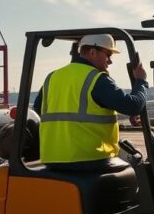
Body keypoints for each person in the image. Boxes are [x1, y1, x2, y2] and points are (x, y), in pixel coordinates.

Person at [33, 33, 148, 170]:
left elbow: (39, 109)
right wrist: (141, 81)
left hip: (52, 160)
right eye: (108, 55)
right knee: (135, 165)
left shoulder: (53, 77)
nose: (110, 61)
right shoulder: (96, 79)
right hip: (90, 159)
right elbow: (133, 105)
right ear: (93, 52)